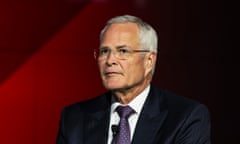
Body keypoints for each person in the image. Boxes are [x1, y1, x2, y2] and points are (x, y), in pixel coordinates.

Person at [56, 15, 211, 144]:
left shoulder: (186, 117)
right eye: (104, 51)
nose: (110, 60)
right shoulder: (74, 118)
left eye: (122, 51)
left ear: (149, 61)